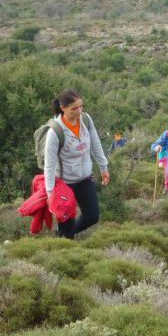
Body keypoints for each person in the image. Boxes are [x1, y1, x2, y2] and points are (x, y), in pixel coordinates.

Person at [43, 89, 110, 239]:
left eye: (81, 106)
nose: (79, 111)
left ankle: (64, 234)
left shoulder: (85, 120)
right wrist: (50, 193)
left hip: (85, 178)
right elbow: (49, 165)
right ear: (63, 108)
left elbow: (95, 144)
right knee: (67, 230)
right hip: (65, 185)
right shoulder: (55, 132)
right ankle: (65, 239)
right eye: (74, 108)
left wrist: (103, 167)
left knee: (92, 216)